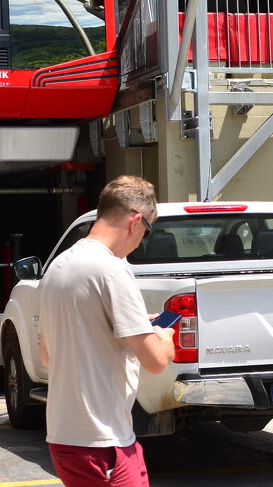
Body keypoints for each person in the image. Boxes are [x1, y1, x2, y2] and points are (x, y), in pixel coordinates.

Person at [38, 175, 175, 486]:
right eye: (147, 231)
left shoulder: (58, 267)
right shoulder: (113, 270)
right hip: (102, 441)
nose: (142, 240)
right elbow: (155, 361)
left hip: (67, 437)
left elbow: (47, 355)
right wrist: (164, 338)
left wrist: (135, 324)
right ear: (135, 220)